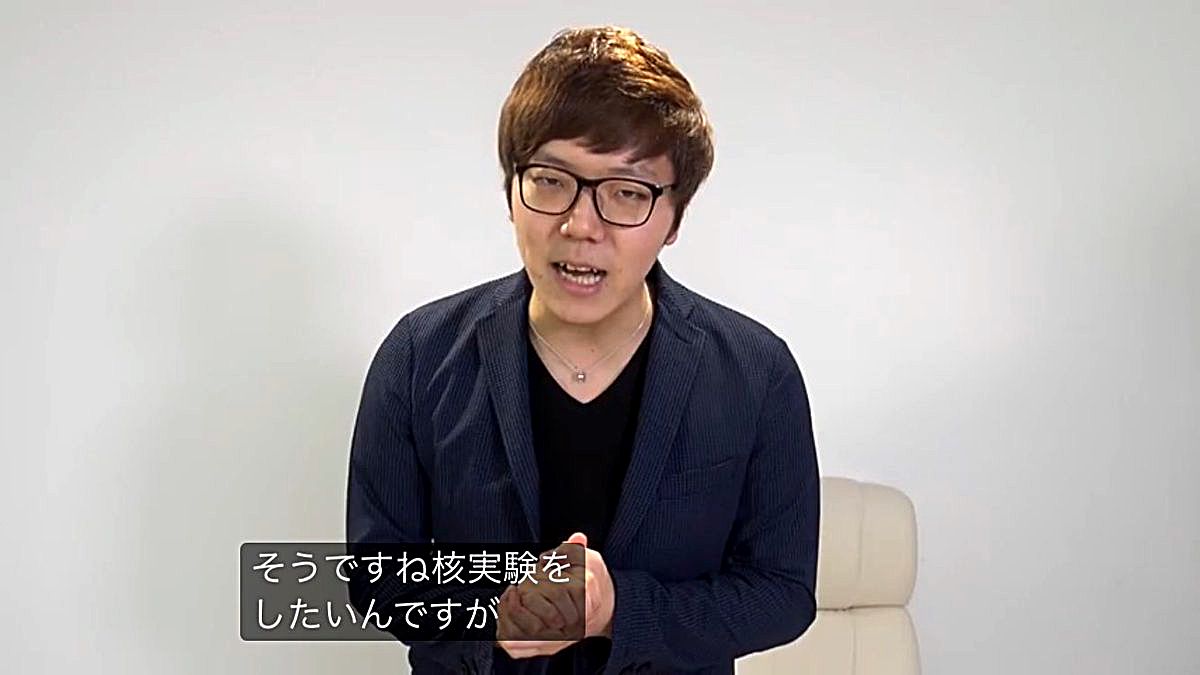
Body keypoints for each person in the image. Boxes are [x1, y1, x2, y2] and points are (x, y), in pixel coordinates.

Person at [346, 25, 820, 674]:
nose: (580, 225)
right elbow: (375, 576)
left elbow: (782, 593)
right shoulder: (418, 354)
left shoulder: (756, 372)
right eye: (550, 180)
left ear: (675, 218)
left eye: (626, 192)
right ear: (511, 193)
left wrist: (618, 607)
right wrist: (492, 614)